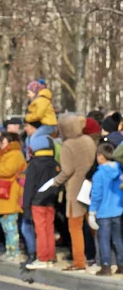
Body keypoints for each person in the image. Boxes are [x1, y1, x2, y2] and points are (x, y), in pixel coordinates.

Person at [53, 115, 97, 271]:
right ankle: (94, 255)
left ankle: (79, 261)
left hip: (74, 188)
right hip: (90, 185)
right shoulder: (88, 140)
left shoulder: (67, 146)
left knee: (75, 226)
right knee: (91, 224)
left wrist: (55, 182)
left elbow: (67, 170)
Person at [0, 133, 27, 261]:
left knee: (10, 224)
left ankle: (14, 252)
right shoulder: (8, 154)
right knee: (6, 224)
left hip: (10, 193)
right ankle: (10, 250)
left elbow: (7, 170)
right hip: (4, 193)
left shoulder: (15, 154)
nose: (1, 145)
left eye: (3, 143)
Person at [22, 136, 60, 269]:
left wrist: (26, 206)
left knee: (41, 230)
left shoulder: (34, 164)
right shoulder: (55, 163)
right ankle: (51, 256)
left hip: (37, 202)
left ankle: (42, 258)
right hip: (51, 201)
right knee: (49, 229)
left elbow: (29, 187)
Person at [88, 143, 123, 276]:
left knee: (103, 239)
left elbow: (96, 195)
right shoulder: (119, 170)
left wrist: (92, 212)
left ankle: (106, 266)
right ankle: (121, 264)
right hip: (118, 210)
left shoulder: (99, 174)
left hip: (103, 212)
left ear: (101, 156)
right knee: (118, 239)